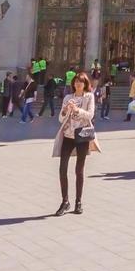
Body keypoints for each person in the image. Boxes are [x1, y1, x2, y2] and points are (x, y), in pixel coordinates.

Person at [53, 72, 96, 215]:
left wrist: (78, 110)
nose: (78, 84)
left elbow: (90, 114)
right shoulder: (68, 97)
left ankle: (78, 201)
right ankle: (65, 201)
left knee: (79, 170)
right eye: (76, 81)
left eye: (81, 82)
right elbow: (60, 118)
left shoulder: (89, 97)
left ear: (85, 84)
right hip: (68, 135)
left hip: (82, 134)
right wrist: (65, 110)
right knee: (62, 168)